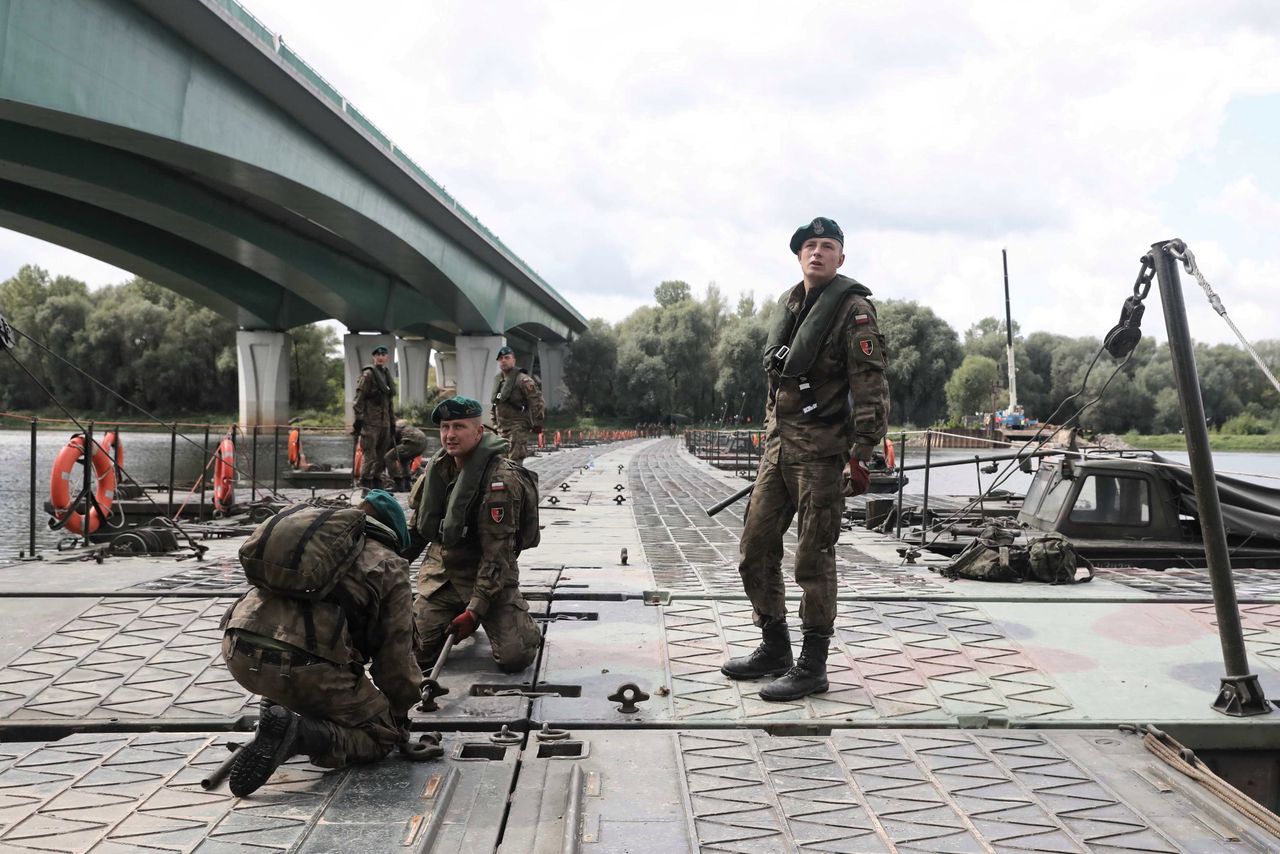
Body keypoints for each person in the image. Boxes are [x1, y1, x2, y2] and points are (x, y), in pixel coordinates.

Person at [721, 216, 890, 701]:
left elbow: (871, 387)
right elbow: (777, 383)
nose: (817, 252)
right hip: (779, 450)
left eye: (827, 246)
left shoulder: (853, 311)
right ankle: (774, 646)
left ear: (841, 257)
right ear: (798, 255)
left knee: (813, 559)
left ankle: (812, 666)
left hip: (822, 454)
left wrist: (860, 455)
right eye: (809, 246)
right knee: (754, 549)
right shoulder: (791, 304)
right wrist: (770, 435)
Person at [221, 490, 421, 797]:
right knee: (381, 737)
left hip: (237, 649)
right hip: (303, 667)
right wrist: (398, 713)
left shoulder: (311, 541)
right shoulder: (389, 563)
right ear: (395, 535)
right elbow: (395, 659)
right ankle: (298, 733)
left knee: (300, 657)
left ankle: (277, 709)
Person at [408, 395, 542, 674]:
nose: (450, 435)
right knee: (413, 654)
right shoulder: (437, 470)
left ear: (479, 431)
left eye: (459, 427)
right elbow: (417, 530)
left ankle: (517, 623)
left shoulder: (500, 481)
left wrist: (475, 610)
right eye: (445, 427)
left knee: (515, 657)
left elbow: (498, 555)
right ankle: (451, 616)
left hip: (489, 577)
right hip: (442, 577)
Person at [490, 345, 544, 463]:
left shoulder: (523, 380)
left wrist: (537, 422)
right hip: (501, 428)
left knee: (515, 462)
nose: (503, 360)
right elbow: (495, 404)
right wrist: (494, 423)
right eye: (501, 358)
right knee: (501, 463)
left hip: (517, 427)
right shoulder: (499, 382)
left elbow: (537, 400)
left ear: (513, 360)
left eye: (507, 357)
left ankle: (517, 481)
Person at [353, 344, 397, 490]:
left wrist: (392, 423)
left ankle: (377, 487)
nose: (380, 357)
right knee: (369, 456)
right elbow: (359, 398)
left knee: (382, 457)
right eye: (377, 355)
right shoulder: (368, 374)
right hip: (370, 423)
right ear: (374, 357)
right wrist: (358, 420)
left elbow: (389, 403)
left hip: (385, 424)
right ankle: (365, 487)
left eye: (383, 355)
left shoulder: (386, 376)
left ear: (387, 358)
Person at [383, 418, 429, 493]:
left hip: (413, 441)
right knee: (404, 459)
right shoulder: (408, 428)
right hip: (423, 443)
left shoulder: (395, 428)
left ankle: (398, 482)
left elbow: (390, 444)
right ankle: (407, 484)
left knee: (388, 457)